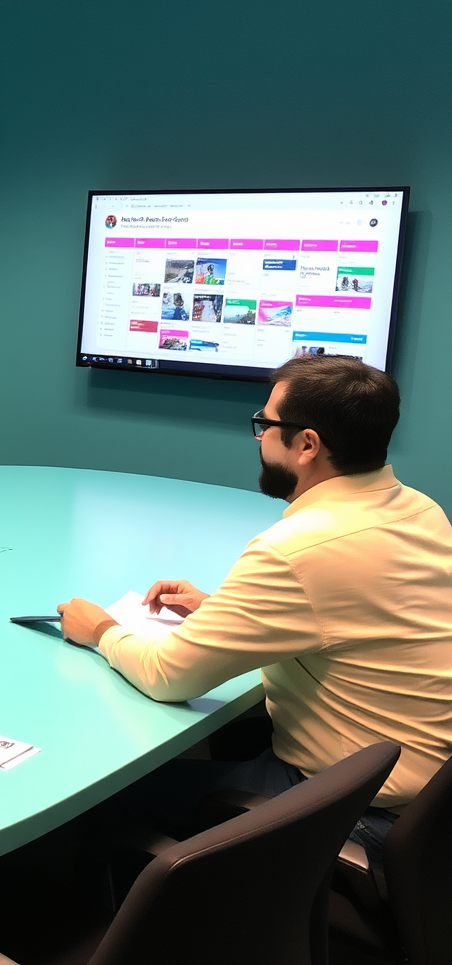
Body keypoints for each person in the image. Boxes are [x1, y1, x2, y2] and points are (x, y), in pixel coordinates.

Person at [58, 355, 452, 874]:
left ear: (307, 444)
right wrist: (223, 609)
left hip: (356, 813)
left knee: (103, 793)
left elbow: (167, 675)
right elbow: (354, 614)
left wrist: (101, 631)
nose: (258, 437)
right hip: (427, 803)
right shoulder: (418, 508)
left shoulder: (297, 550)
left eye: (264, 425)